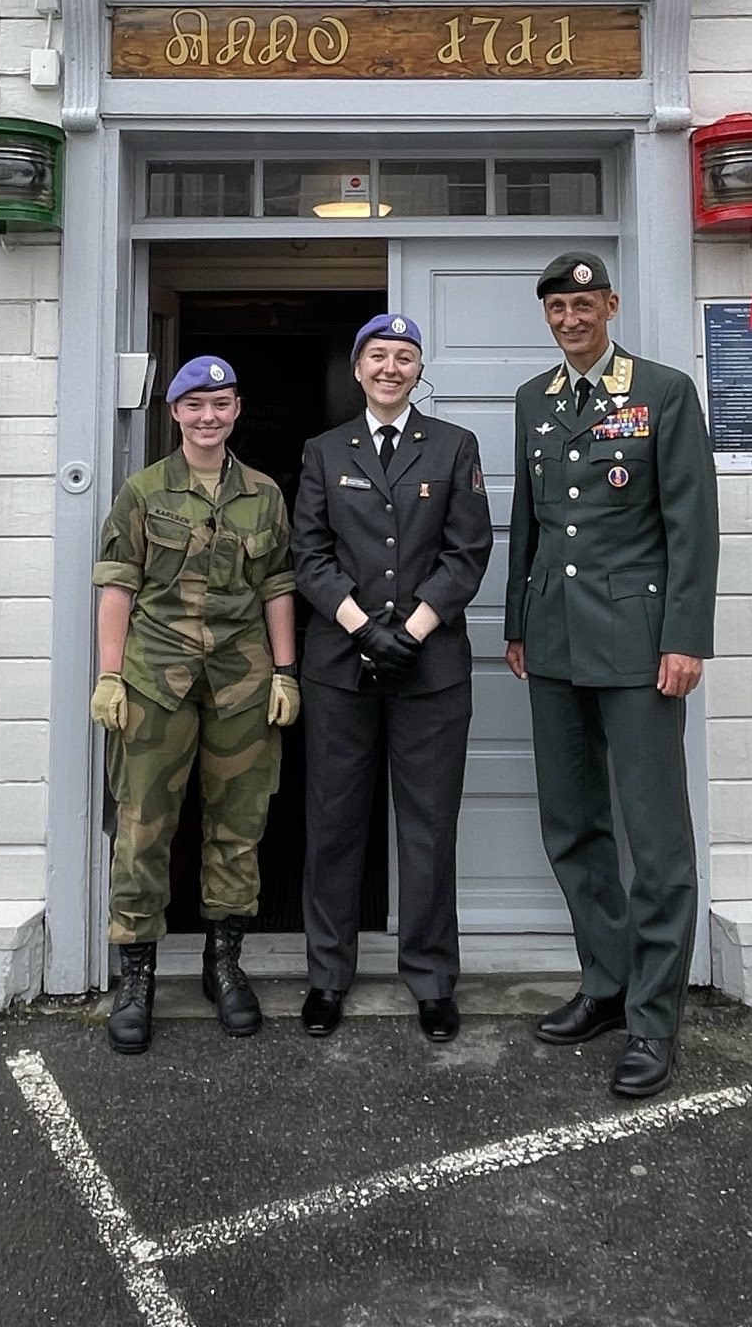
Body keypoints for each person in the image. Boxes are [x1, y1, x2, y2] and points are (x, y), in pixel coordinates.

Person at [504, 254, 718, 1099]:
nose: (570, 319)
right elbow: (529, 519)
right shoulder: (535, 400)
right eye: (558, 307)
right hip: (554, 640)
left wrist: (685, 638)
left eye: (583, 304)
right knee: (572, 823)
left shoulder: (662, 393)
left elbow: (691, 522)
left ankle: (655, 1020)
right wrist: (519, 624)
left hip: (638, 645)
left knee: (656, 838)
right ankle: (606, 982)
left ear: (610, 306)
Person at [89, 355, 300, 1056]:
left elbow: (277, 586)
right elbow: (118, 585)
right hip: (156, 681)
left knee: (237, 824)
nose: (208, 417)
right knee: (144, 824)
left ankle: (223, 963)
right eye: (194, 405)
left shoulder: (265, 494)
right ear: (174, 413)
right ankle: (138, 975)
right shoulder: (144, 492)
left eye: (221, 404)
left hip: (242, 681)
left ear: (237, 410)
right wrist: (110, 676)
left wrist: (287, 672)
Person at [292, 312, 493, 1042]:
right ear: (357, 367)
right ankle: (327, 976)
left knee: (429, 829)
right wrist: (361, 627)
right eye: (378, 355)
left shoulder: (452, 446)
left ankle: (434, 980)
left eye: (404, 357)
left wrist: (408, 632)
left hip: (429, 668)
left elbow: (467, 553)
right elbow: (308, 554)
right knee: (335, 825)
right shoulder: (323, 450)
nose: (390, 368)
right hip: (341, 668)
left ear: (417, 370)